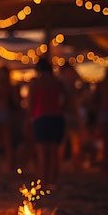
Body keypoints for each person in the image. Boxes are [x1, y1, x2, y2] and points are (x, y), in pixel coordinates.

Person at [27, 58, 68, 188]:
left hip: (41, 117)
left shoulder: (35, 83)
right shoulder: (57, 82)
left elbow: (30, 103)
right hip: (56, 117)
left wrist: (29, 118)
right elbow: (67, 99)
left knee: (42, 153)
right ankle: (53, 181)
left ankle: (43, 183)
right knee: (54, 152)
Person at [57, 64, 84, 172]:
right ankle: (74, 166)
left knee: (66, 144)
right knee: (70, 143)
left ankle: (70, 166)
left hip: (68, 114)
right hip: (69, 114)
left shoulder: (62, 82)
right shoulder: (67, 83)